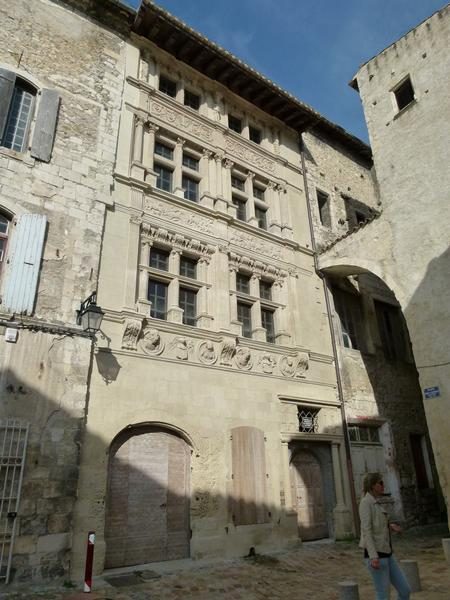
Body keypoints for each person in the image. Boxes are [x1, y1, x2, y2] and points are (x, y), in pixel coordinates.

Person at [359, 472, 411, 600]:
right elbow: (367, 531)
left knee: (405, 590)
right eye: (380, 483)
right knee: (383, 594)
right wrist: (373, 556)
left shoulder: (376, 502)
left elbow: (378, 525)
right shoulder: (366, 503)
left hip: (387, 553)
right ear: (372, 485)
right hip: (376, 555)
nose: (383, 485)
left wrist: (390, 527)